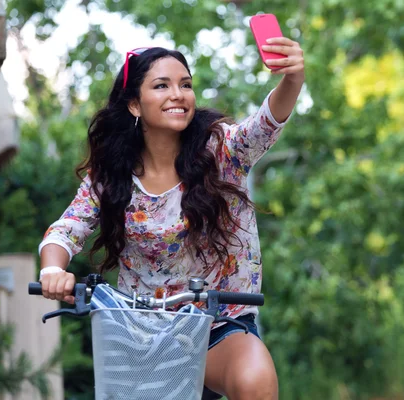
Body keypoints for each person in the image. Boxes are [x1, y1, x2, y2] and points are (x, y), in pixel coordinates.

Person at [38, 32, 305, 400]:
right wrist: (53, 270)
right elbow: (66, 230)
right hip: (140, 336)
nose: (178, 94)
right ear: (134, 104)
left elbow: (265, 123)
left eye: (186, 85)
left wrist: (292, 78)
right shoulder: (111, 176)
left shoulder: (222, 151)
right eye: (161, 85)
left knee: (255, 381)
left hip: (219, 326)